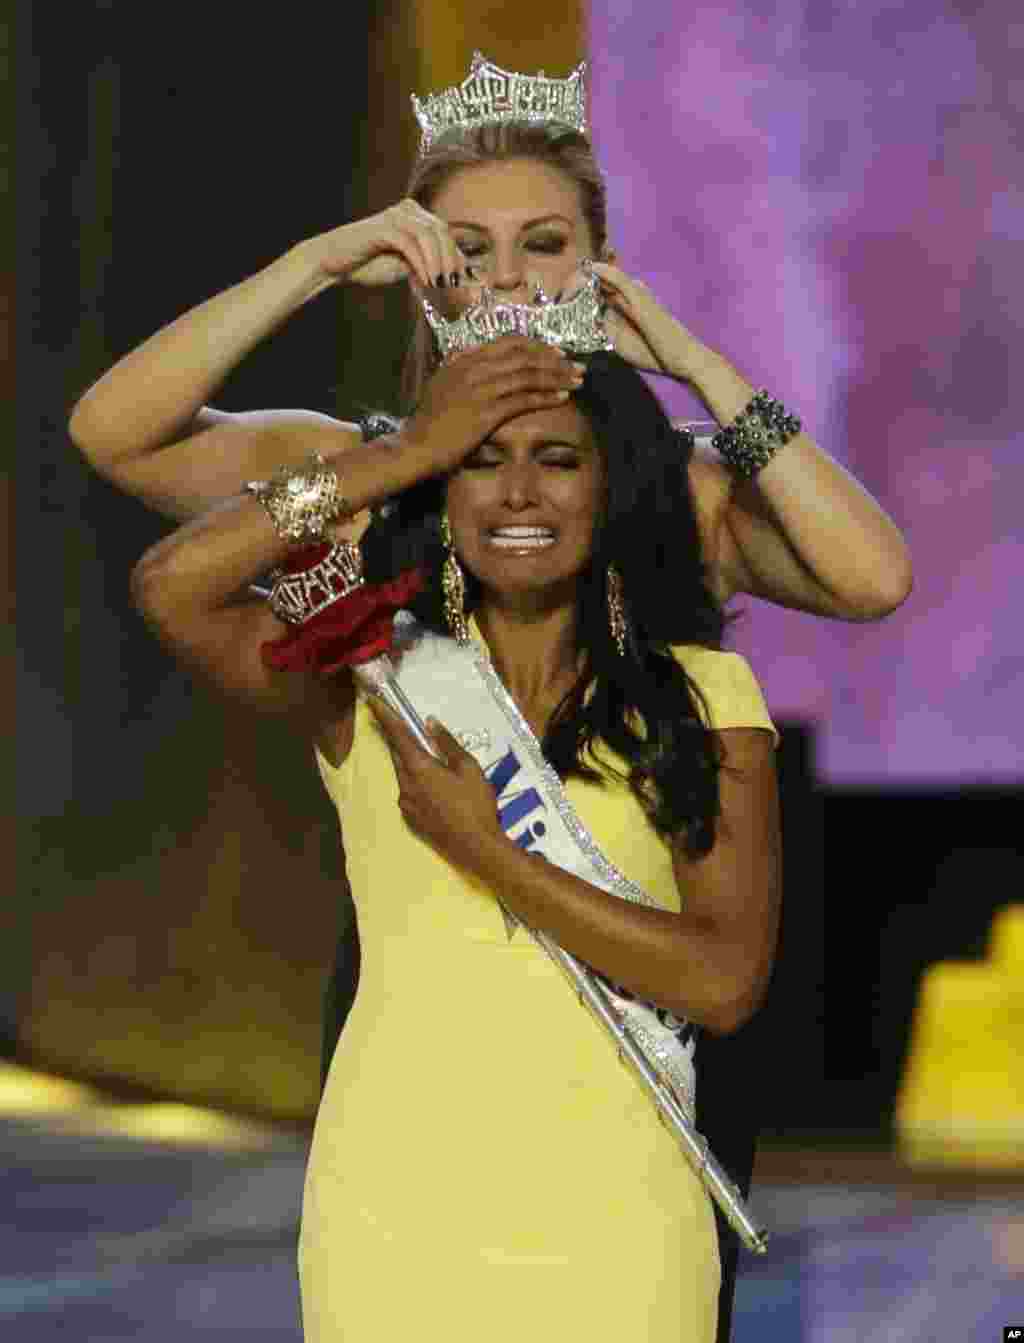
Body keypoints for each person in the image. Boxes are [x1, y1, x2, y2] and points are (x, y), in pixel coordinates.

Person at [68, 58, 912, 1340]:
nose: (507, 280)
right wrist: (313, 266)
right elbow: (114, 437)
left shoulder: (671, 489)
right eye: (466, 247)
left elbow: (872, 573)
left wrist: (686, 354)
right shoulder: (351, 466)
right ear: (415, 264)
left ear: (596, 263)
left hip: (630, 1018)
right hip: (422, 1022)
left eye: (544, 245)